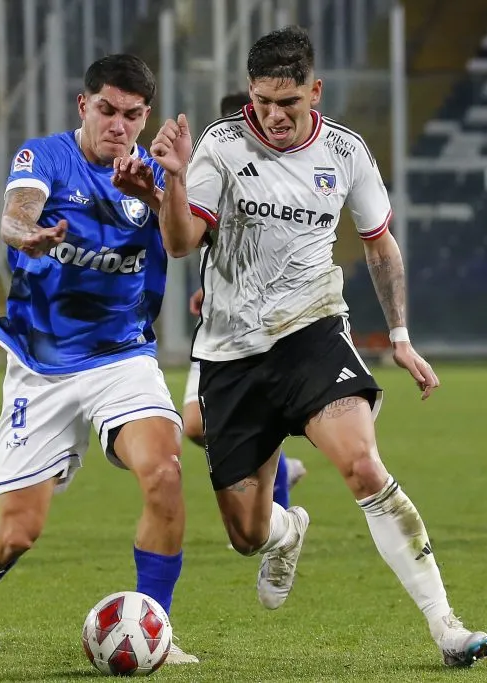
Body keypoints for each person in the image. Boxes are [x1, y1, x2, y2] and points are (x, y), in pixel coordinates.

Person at [149, 26, 487, 667]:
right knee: (246, 535)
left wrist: (400, 338)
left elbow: (379, 244)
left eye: (289, 102)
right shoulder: (220, 147)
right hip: (230, 356)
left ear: (315, 90)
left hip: (312, 331)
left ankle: (446, 626)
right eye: (262, 102)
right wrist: (172, 180)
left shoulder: (346, 152)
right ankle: (288, 528)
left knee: (363, 465)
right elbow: (178, 243)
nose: (274, 117)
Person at [0, 54, 197, 665]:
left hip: (121, 356)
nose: (118, 125)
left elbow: (182, 245)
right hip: (41, 362)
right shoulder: (45, 156)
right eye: (106, 110)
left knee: (163, 473)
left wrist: (160, 194)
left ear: (145, 116)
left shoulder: (157, 172)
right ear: (84, 106)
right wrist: (29, 235)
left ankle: (155, 627)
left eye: (132, 115)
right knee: (16, 535)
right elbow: (16, 213)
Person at [181, 91, 306, 515]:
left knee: (227, 422)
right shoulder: (214, 167)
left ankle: (281, 513)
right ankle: (282, 471)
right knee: (195, 425)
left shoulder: (280, 180)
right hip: (220, 320)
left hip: (269, 326)